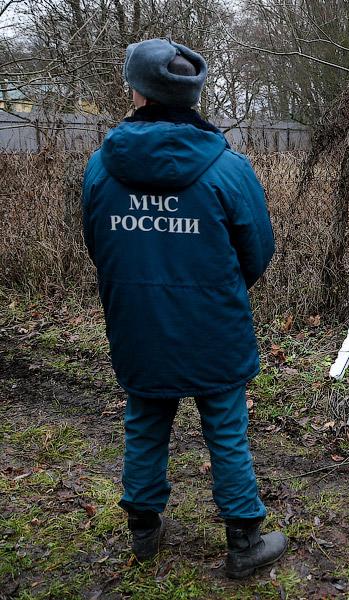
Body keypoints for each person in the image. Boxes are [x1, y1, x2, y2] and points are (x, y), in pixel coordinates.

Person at [81, 38, 286, 578]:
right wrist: (212, 288)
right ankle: (244, 543)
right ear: (190, 93)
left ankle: (144, 532)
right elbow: (257, 251)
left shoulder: (101, 168)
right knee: (225, 427)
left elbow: (97, 244)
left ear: (137, 91)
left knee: (145, 420)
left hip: (138, 325)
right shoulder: (228, 169)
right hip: (213, 324)